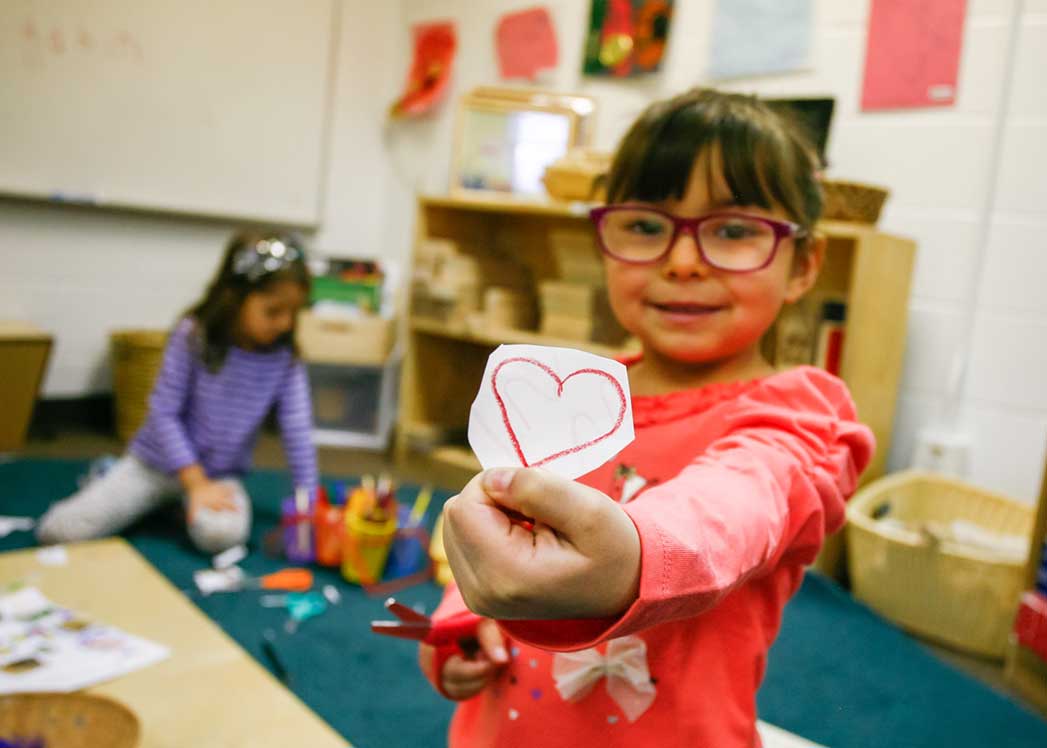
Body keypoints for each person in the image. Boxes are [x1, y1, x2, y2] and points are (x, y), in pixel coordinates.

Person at [421, 88, 876, 746]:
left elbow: (737, 504)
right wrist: (462, 618)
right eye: (644, 226)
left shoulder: (801, 413)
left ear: (802, 263)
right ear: (603, 240)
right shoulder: (578, 398)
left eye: (733, 230)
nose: (683, 261)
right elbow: (499, 526)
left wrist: (632, 556)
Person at [37, 232, 318, 555]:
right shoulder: (193, 335)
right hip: (156, 464)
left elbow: (298, 430)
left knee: (221, 537)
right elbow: (163, 412)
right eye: (273, 311)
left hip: (218, 476)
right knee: (60, 530)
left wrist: (307, 505)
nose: (285, 324)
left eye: (294, 313)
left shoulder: (285, 358)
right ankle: (120, 479)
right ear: (234, 297)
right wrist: (193, 482)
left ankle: (171, 505)